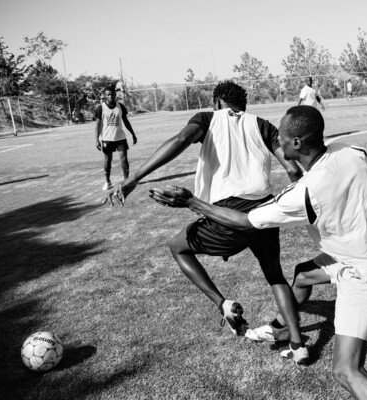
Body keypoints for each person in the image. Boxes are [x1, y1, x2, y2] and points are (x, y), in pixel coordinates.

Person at [149, 105, 367, 399]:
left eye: (281, 138)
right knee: (303, 275)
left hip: (363, 269)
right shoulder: (352, 150)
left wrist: (192, 203)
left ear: (296, 143)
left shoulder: (306, 191)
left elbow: (245, 221)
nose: (277, 143)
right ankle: (283, 328)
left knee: (346, 371)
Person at [105, 81, 307, 361]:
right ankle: (299, 347)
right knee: (275, 275)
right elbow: (292, 168)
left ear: (217, 103)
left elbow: (180, 140)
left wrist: (133, 179)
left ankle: (223, 303)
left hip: (226, 213)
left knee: (178, 246)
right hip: (264, 211)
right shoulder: (262, 125)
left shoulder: (208, 118)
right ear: (242, 105)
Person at [95, 85, 138, 191]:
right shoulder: (101, 108)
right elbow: (98, 125)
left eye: (113, 94)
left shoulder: (120, 106)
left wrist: (133, 134)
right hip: (107, 138)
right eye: (108, 95)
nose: (111, 96)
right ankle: (107, 181)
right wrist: (97, 139)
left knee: (124, 159)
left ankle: (126, 181)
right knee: (107, 160)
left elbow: (126, 121)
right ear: (104, 96)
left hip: (120, 137)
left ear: (115, 95)